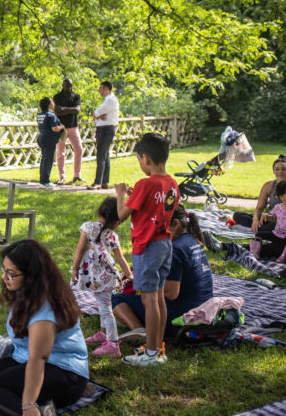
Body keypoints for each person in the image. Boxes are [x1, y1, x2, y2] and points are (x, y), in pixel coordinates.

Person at [0, 240, 89, 416]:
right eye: (3, 270)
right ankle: (41, 404)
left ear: (31, 276)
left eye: (11, 274)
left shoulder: (44, 312)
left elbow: (38, 359)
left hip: (63, 373)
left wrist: (28, 403)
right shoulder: (26, 292)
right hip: (25, 361)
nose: (4, 278)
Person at [114, 132, 179, 366]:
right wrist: (135, 197)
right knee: (158, 296)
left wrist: (121, 193)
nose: (140, 164)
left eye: (139, 160)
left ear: (146, 159)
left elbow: (121, 215)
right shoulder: (171, 184)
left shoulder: (145, 184)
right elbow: (157, 206)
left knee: (149, 301)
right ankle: (157, 348)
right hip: (164, 244)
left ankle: (151, 354)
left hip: (147, 246)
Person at [112, 204, 214, 349]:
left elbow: (170, 293)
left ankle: (140, 330)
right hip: (203, 310)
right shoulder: (192, 241)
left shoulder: (175, 249)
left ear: (176, 224)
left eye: (160, 226)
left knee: (117, 299)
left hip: (182, 316)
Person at [71, 197, 132, 358]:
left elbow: (80, 249)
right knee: (103, 305)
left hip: (97, 278)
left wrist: (75, 268)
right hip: (108, 277)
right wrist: (129, 274)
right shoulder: (112, 234)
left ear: (100, 211)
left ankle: (113, 344)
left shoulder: (88, 227)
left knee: (106, 309)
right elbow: (120, 258)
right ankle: (104, 334)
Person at [233, 155, 286, 256]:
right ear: (273, 171)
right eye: (277, 169)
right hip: (270, 218)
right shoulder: (269, 185)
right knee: (237, 215)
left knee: (269, 229)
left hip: (281, 224)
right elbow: (259, 208)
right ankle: (256, 228)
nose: (280, 172)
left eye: (283, 169)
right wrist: (255, 221)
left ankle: (258, 232)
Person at [88, 80, 119, 190]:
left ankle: (98, 182)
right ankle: (105, 181)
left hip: (106, 129)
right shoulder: (107, 100)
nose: (99, 90)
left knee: (101, 154)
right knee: (105, 155)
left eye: (100, 88)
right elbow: (98, 114)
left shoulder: (110, 100)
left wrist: (97, 115)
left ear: (106, 89)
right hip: (104, 128)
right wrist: (98, 115)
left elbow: (97, 112)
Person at [53, 78, 85, 185]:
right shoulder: (57, 97)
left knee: (79, 149)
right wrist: (70, 110)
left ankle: (77, 175)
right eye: (67, 86)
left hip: (73, 127)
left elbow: (77, 110)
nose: (69, 88)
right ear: (63, 85)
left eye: (70, 86)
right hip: (61, 128)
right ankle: (62, 177)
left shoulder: (76, 96)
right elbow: (57, 112)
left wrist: (63, 109)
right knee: (60, 152)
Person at [253, 180, 286, 262]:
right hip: (277, 234)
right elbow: (274, 218)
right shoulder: (278, 207)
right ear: (281, 197)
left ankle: (283, 257)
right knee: (259, 234)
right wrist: (267, 217)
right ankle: (255, 253)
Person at [36, 97, 65, 188]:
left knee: (44, 159)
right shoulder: (51, 115)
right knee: (48, 161)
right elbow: (55, 128)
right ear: (49, 104)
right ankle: (46, 181)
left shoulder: (39, 115)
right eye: (52, 102)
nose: (53, 103)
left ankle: (42, 181)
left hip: (41, 137)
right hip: (49, 138)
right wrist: (62, 127)